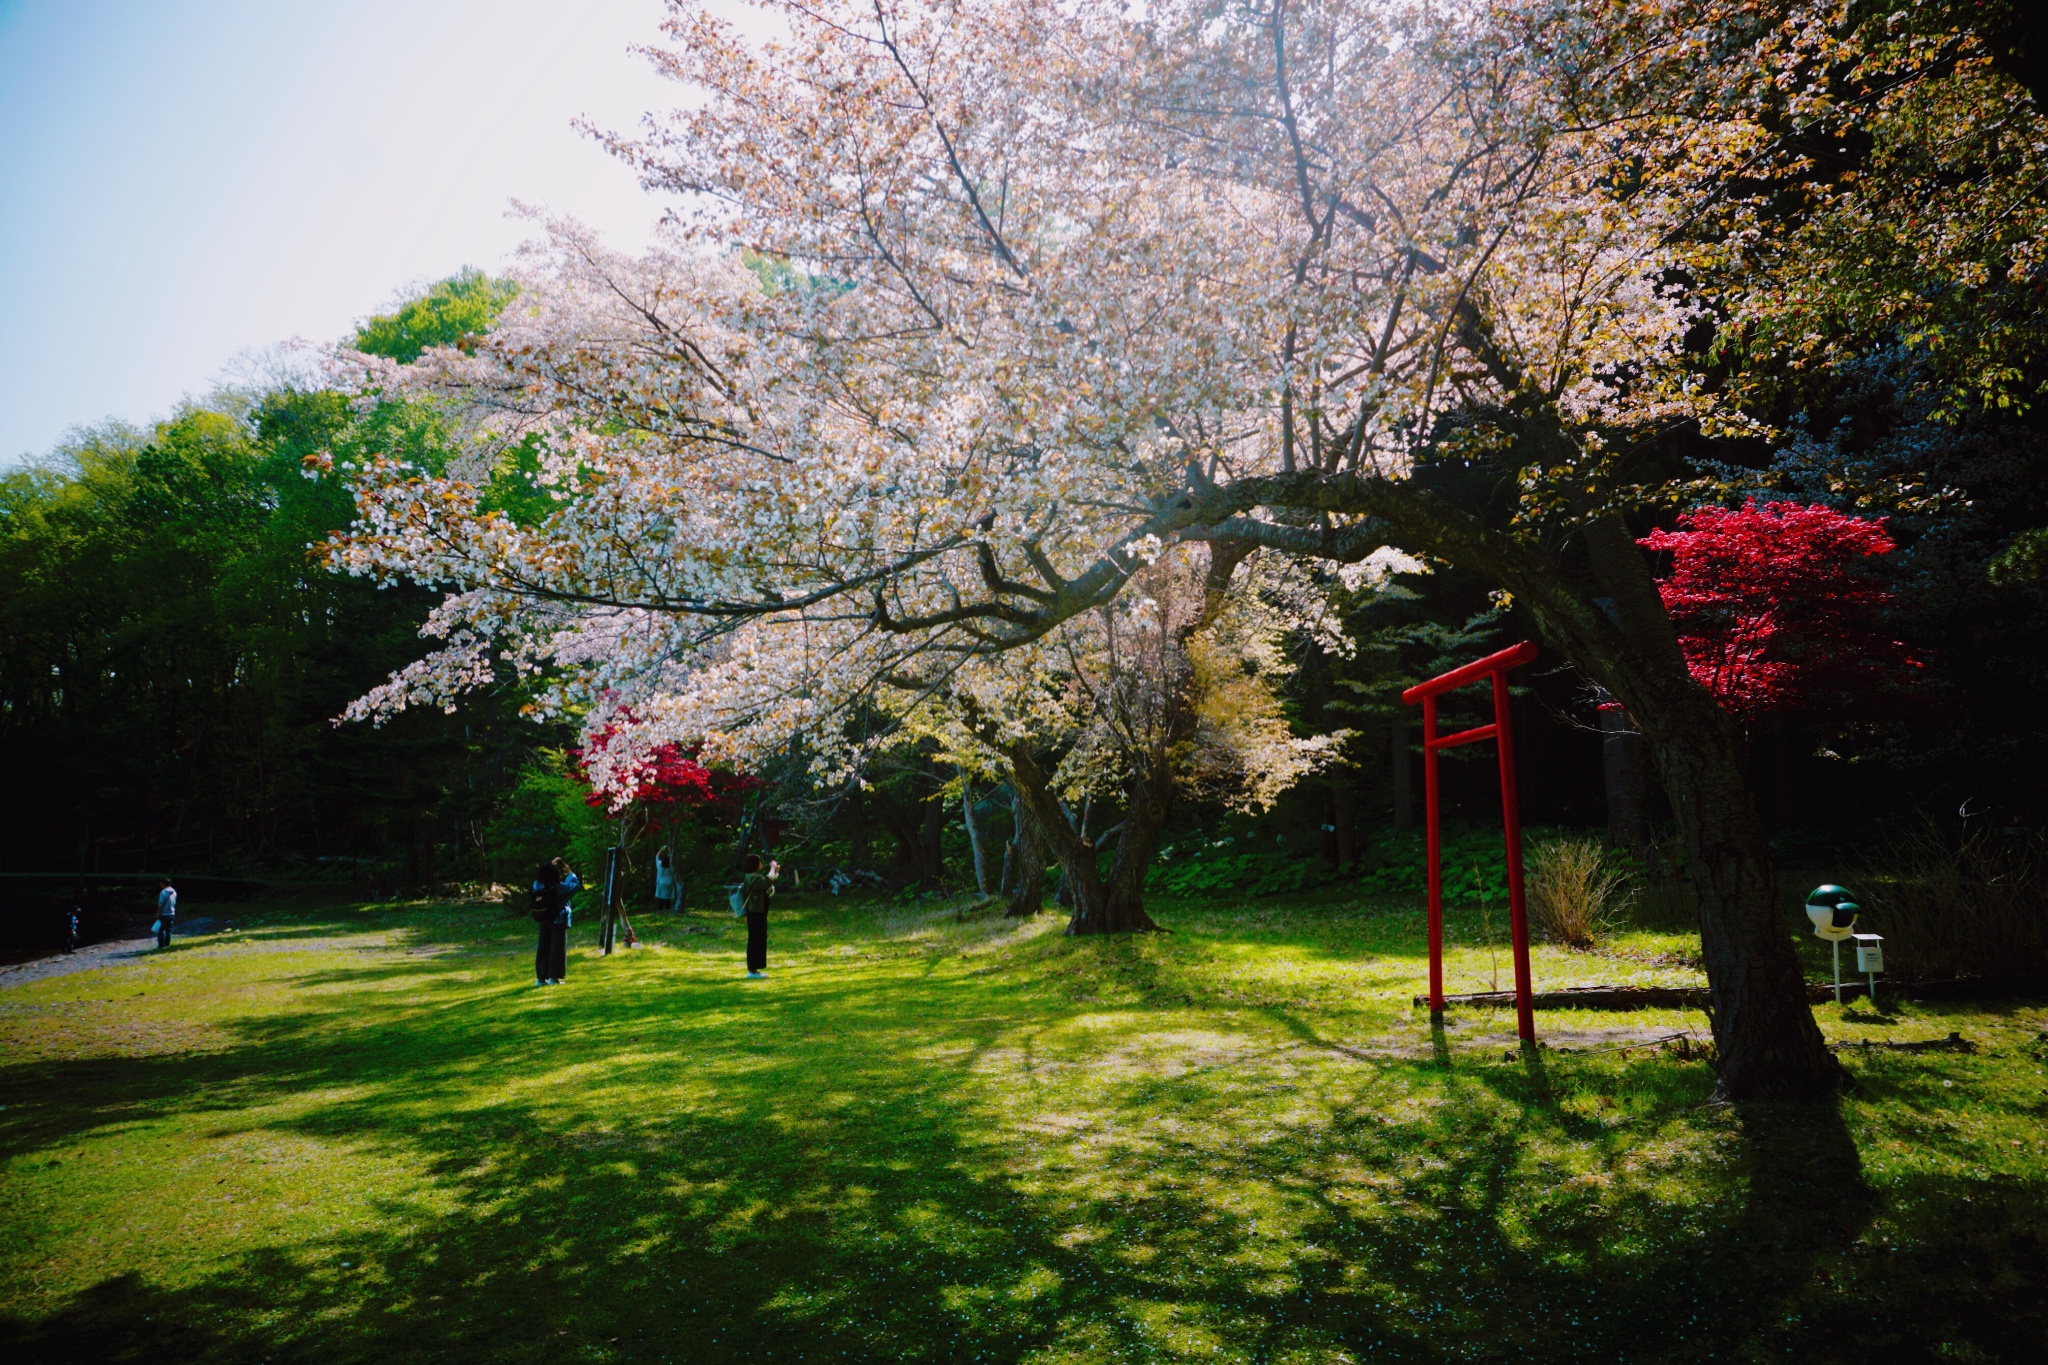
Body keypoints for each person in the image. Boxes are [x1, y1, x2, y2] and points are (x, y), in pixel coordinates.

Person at [530, 857, 580, 986]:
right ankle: (554, 977)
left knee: (543, 948)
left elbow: (542, 876)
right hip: (558, 919)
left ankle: (540, 978)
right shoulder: (558, 888)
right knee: (556, 949)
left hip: (543, 918)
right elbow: (575, 886)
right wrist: (569, 872)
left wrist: (547, 866)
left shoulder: (537, 886)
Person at [739, 854, 779, 979]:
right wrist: (772, 869)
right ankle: (751, 970)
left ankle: (755, 970)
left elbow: (767, 884)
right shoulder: (752, 877)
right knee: (755, 940)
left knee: (759, 939)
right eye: (760, 862)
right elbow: (766, 881)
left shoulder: (754, 877)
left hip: (759, 912)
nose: (761, 864)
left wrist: (775, 872)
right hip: (754, 912)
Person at [654, 847, 682, 913]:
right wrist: (670, 850)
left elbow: (657, 857)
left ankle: (660, 911)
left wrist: (661, 850)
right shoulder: (671, 867)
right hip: (669, 883)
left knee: (661, 898)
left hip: (661, 884)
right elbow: (674, 859)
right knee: (668, 898)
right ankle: (667, 910)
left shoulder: (659, 865)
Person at [155, 878, 177, 950]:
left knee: (160, 930)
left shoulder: (163, 892)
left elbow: (160, 904)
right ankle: (167, 944)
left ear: (163, 884)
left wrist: (158, 913)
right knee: (168, 930)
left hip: (164, 914)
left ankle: (161, 945)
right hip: (172, 913)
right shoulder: (174, 892)